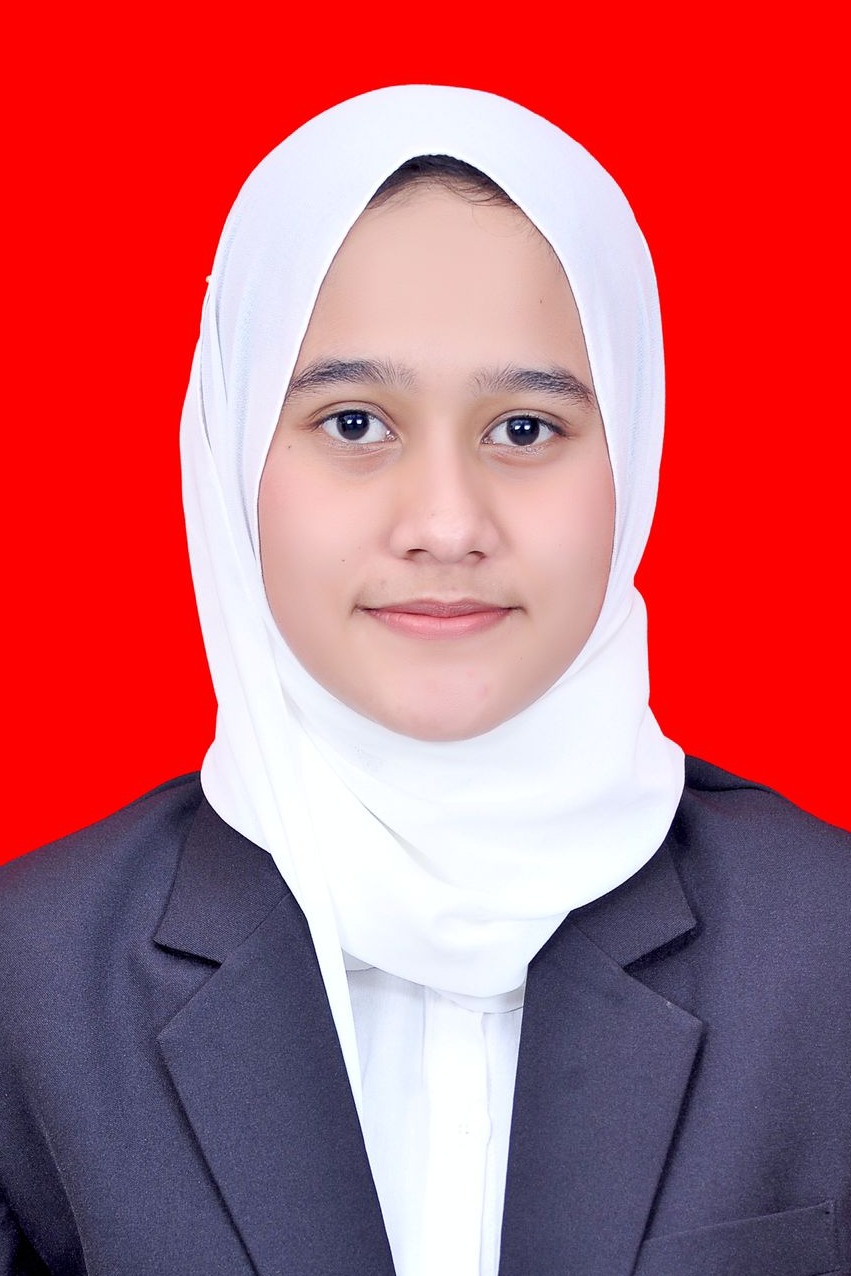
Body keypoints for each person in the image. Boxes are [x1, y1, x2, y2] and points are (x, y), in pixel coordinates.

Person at [1, 84, 849, 1276]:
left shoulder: (826, 950)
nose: (446, 524)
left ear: (634, 448)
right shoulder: (32, 982)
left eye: (523, 429)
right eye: (354, 423)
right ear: (232, 453)